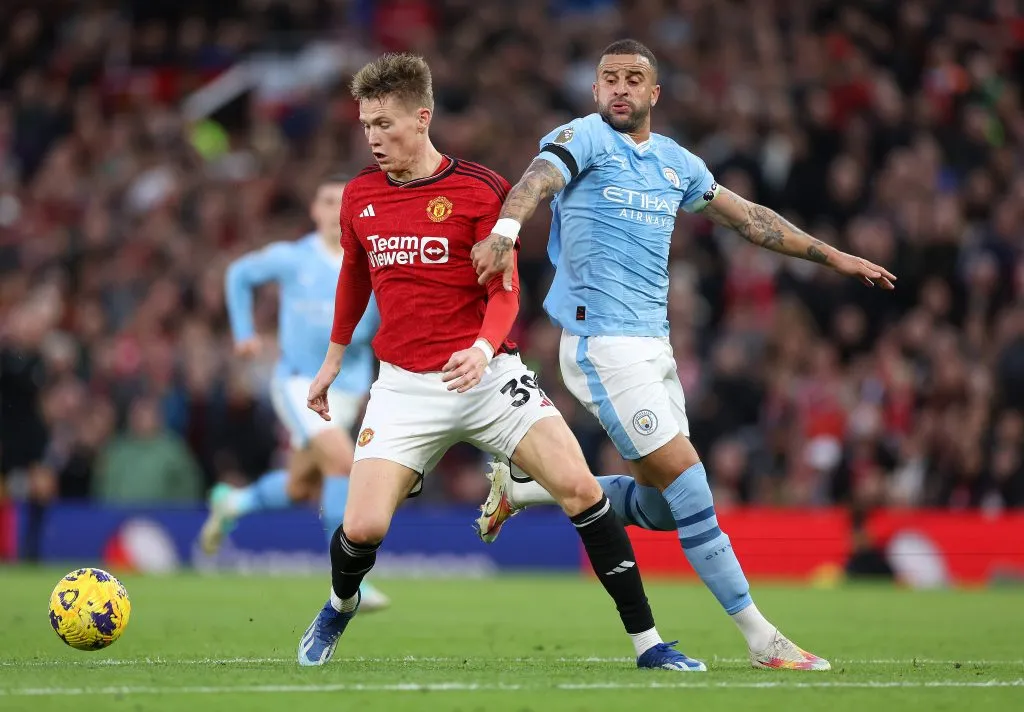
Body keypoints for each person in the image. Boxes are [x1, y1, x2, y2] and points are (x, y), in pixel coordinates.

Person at [471, 39, 898, 671]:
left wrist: (833, 255)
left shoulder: (676, 163)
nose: (620, 88)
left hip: (655, 349)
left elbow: (750, 219)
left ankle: (526, 489)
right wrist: (507, 231)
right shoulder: (582, 136)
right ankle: (762, 638)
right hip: (600, 345)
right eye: (609, 78)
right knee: (692, 481)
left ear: (654, 93)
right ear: (594, 91)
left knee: (666, 508)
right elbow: (539, 178)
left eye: (633, 79)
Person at [297, 52, 702, 672]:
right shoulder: (360, 197)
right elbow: (354, 278)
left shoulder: (480, 190)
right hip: (404, 387)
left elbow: (505, 290)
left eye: (385, 124)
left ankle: (650, 645)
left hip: (489, 377)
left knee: (581, 490)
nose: (373, 138)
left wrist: (484, 348)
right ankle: (339, 603)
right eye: (367, 126)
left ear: (422, 117)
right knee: (364, 529)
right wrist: (332, 360)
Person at [201, 174, 389, 611]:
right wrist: (245, 332)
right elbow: (238, 274)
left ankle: (233, 503)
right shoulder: (292, 258)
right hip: (299, 384)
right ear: (315, 210)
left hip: (348, 392)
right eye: (326, 200)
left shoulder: (374, 261)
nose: (334, 209)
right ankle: (349, 582)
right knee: (343, 463)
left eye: (343, 202)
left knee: (302, 486)